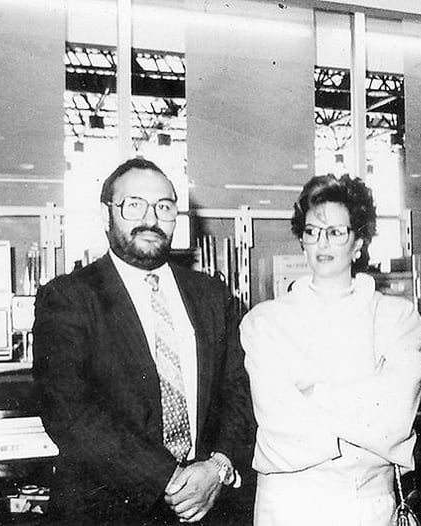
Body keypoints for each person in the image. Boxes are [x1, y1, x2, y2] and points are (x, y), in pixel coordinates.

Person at [32, 158, 255, 524]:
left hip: (207, 507)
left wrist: (219, 465)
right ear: (107, 216)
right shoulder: (69, 297)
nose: (151, 219)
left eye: (164, 207)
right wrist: (168, 479)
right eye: (134, 204)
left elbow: (239, 390)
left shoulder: (211, 295)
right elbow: (68, 409)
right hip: (106, 511)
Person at [239, 174, 421, 525]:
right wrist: (364, 401)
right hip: (286, 507)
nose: (321, 242)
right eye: (311, 231)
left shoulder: (398, 318)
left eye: (336, 232)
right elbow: (281, 433)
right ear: (302, 240)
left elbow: (393, 422)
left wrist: (313, 393)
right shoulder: (264, 323)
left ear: (359, 242)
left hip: (368, 507)